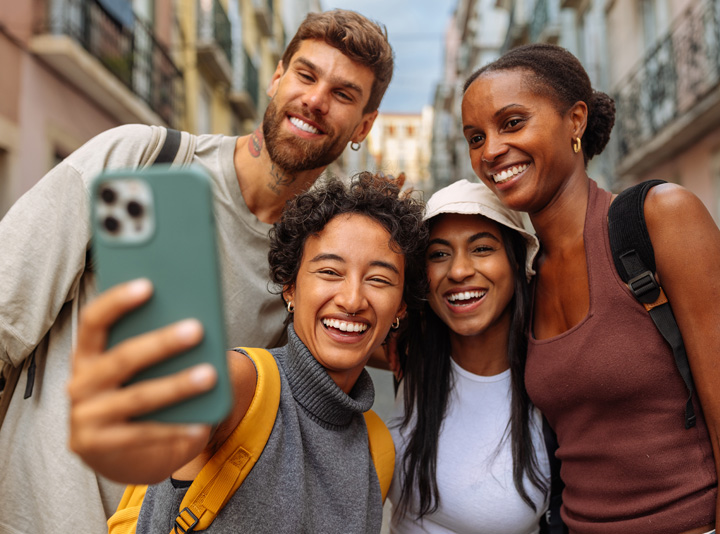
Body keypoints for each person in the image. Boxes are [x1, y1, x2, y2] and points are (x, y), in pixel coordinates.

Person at [0, 9, 394, 533]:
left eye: (344, 94)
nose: (316, 100)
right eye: (306, 75)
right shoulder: (143, 163)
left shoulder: (317, 262)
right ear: (277, 77)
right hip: (39, 515)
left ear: (363, 126)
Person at [460, 43, 720, 534]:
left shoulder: (660, 217)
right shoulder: (525, 277)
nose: (491, 150)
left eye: (512, 123)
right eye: (475, 137)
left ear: (575, 120)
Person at [68, 174, 428, 532]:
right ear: (290, 288)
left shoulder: (377, 447)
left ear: (400, 308)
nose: (352, 300)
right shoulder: (246, 383)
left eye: (379, 279)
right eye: (330, 271)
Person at [387, 179, 550, 533]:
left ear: (517, 262)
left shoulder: (553, 382)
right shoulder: (406, 351)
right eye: (439, 254)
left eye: (481, 249)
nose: (459, 271)